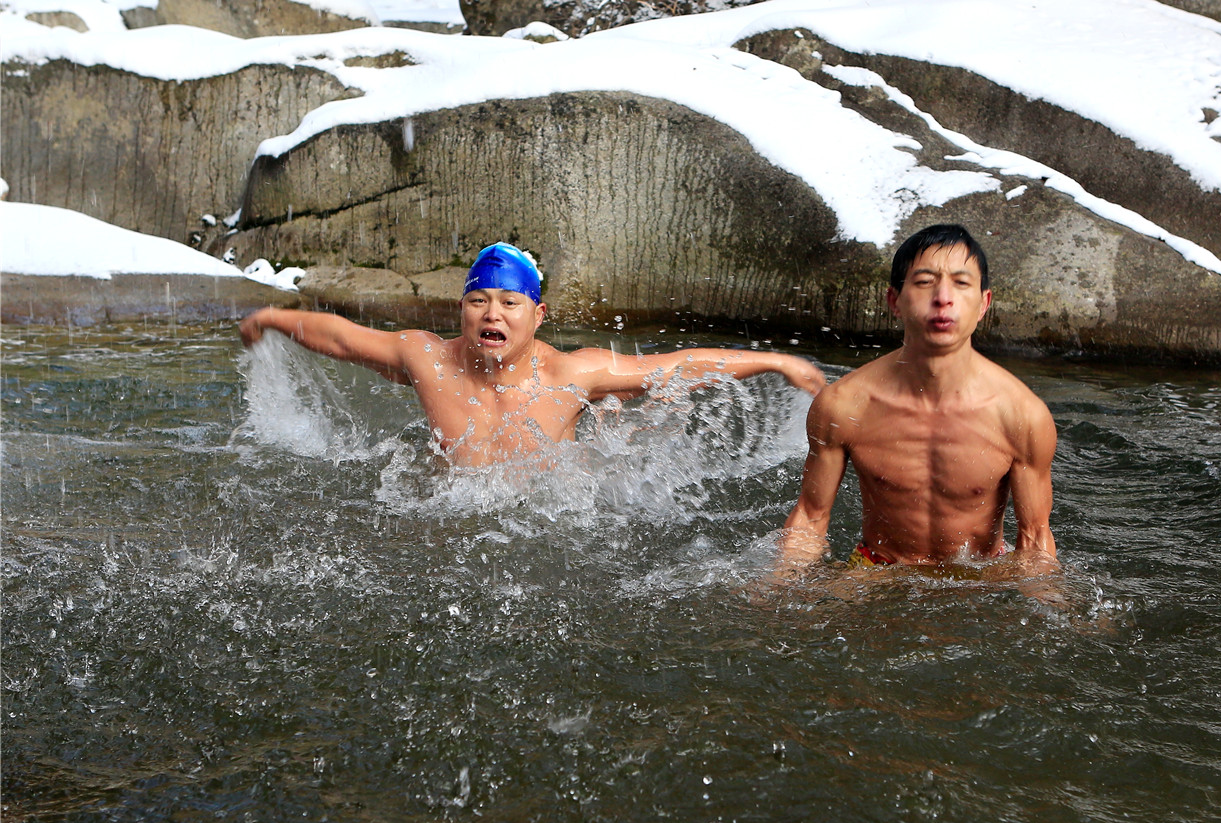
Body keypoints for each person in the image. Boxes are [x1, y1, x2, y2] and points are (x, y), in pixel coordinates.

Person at [239, 242, 826, 466]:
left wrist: (775, 361)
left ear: (537, 314)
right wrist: (272, 318)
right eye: (478, 301)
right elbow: (343, 337)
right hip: (450, 515)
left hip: (548, 522)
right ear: (462, 309)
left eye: (509, 303)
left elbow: (672, 368)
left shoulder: (571, 372)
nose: (491, 315)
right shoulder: (426, 358)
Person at [781, 224, 1057, 571]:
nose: (943, 298)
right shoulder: (843, 404)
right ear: (894, 301)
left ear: (983, 304)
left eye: (961, 283)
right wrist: (780, 586)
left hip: (981, 578)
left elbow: (1034, 540)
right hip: (877, 572)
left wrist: (1046, 596)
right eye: (925, 281)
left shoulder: (1022, 414)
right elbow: (810, 518)